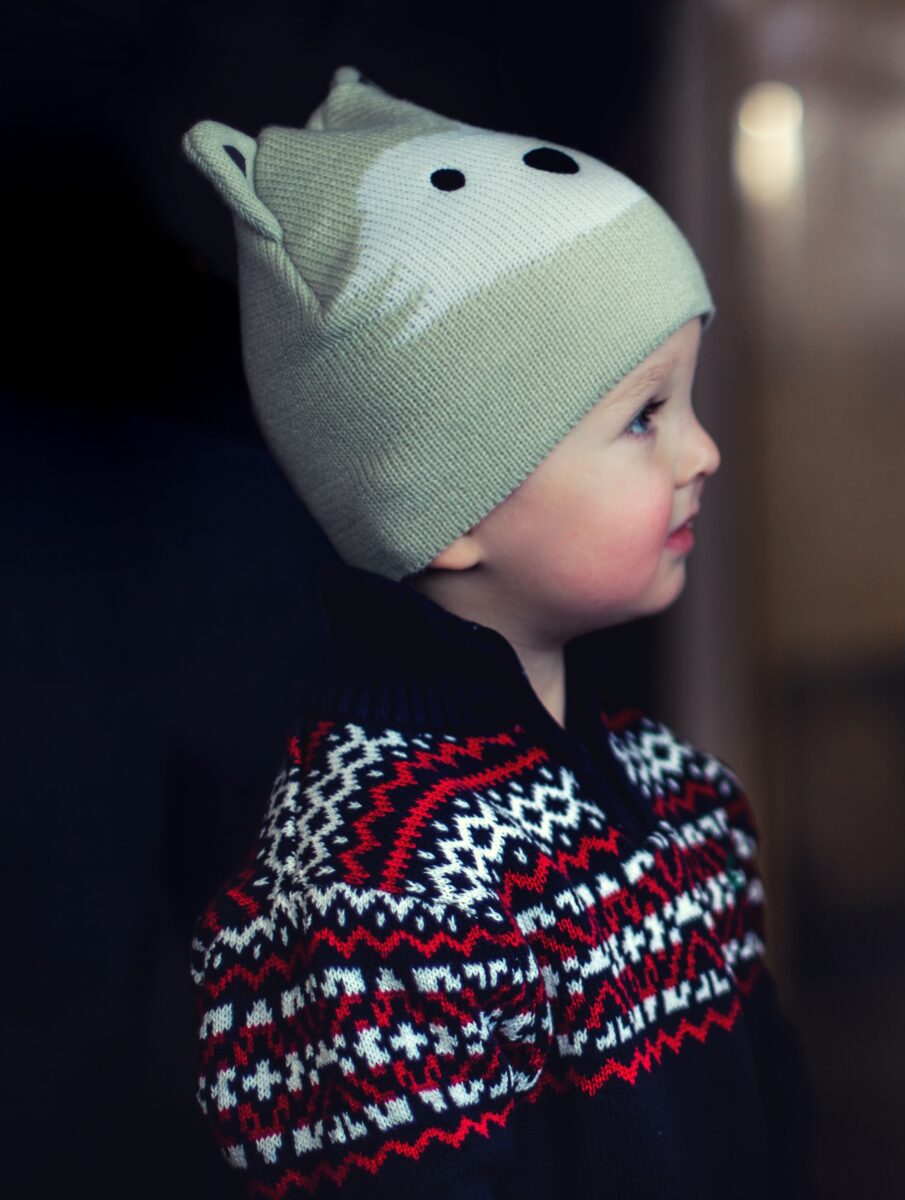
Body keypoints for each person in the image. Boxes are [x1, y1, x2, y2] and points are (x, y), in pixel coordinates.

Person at [183, 69, 809, 1197]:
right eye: (644, 416)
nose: (701, 452)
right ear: (453, 503)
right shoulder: (372, 896)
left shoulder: (685, 800)